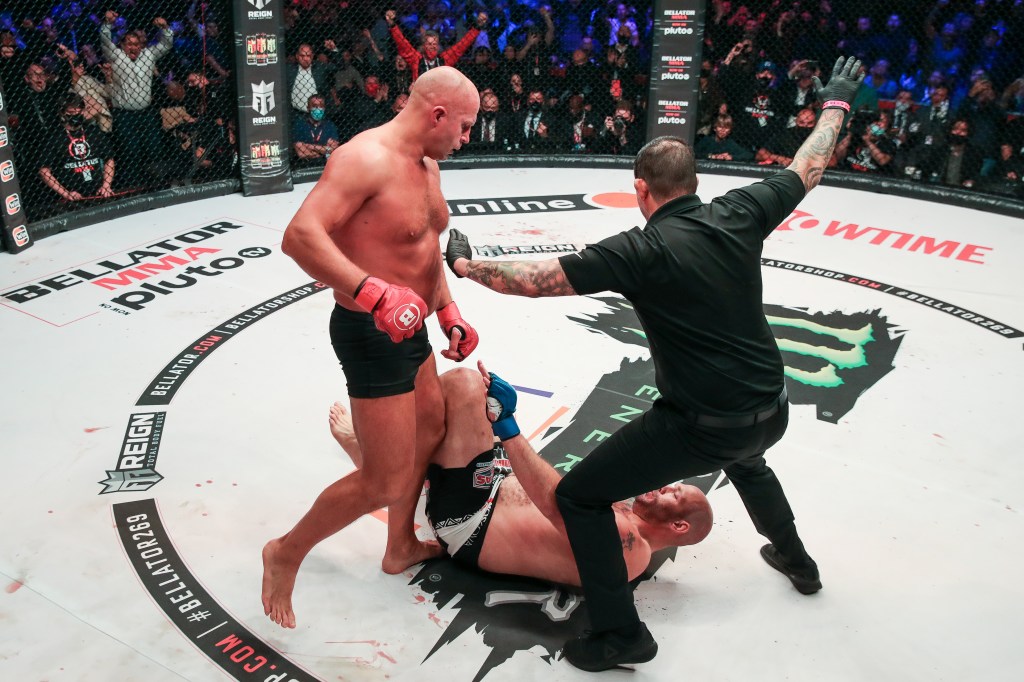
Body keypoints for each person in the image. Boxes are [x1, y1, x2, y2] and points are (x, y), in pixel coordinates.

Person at [444, 56, 865, 673]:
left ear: (641, 190)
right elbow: (810, 166)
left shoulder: (640, 248)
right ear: (692, 184)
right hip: (770, 409)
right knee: (749, 460)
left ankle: (620, 635)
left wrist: (465, 267)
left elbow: (534, 280)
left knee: (583, 498)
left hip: (701, 424)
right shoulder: (742, 210)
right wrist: (836, 105)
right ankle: (798, 562)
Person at [262, 66, 481, 630]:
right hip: (370, 333)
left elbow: (424, 251)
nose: (465, 138)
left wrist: (447, 308)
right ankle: (284, 551)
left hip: (413, 328)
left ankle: (400, 544)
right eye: (463, 126)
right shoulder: (365, 159)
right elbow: (299, 235)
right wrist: (370, 291)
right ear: (437, 115)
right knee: (381, 480)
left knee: (430, 427)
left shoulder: (427, 165)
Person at [328, 363, 713, 586]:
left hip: (470, 521)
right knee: (461, 413)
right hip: (493, 487)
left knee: (462, 386)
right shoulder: (628, 519)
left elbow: (558, 505)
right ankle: (370, 459)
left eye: (673, 494)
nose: (663, 487)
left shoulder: (631, 548)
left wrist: (508, 425)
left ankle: (374, 462)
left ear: (679, 527)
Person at [98, 11, 174, 187]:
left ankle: (157, 184)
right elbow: (104, 40)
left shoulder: (148, 55)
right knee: (130, 150)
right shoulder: (116, 56)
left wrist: (165, 28)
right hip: (124, 114)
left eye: (136, 44)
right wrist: (108, 23)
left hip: (146, 112)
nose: (133, 47)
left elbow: (166, 44)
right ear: (122, 45)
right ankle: (132, 186)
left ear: (141, 45)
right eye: (129, 44)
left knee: (154, 148)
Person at [38, 92, 115, 203]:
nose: (76, 116)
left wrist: (106, 186)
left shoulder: (93, 131)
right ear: (62, 113)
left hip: (98, 192)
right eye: (71, 113)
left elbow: (109, 158)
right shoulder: (54, 137)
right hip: (71, 194)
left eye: (79, 112)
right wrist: (66, 193)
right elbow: (44, 171)